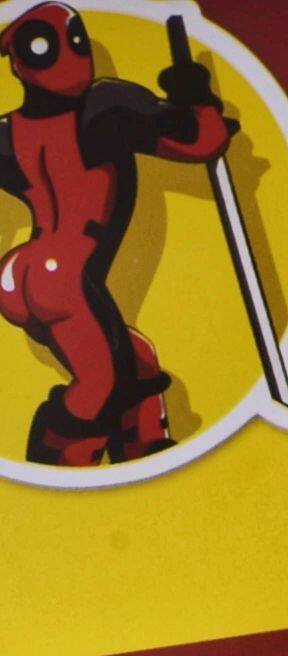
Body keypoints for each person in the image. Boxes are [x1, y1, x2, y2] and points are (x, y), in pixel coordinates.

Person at [0, 4, 231, 466]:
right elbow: (202, 141)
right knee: (99, 383)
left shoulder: (7, 134)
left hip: (21, 275)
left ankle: (144, 457)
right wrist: (197, 98)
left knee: (136, 361)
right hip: (62, 278)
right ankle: (62, 472)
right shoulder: (106, 108)